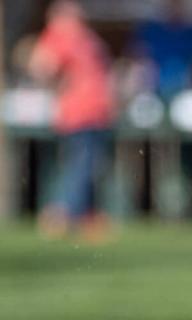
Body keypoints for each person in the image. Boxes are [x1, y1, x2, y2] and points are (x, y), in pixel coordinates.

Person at [28, 0, 115, 241]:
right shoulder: (57, 37)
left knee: (90, 167)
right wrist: (59, 82)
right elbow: (40, 66)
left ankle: (83, 215)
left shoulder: (85, 37)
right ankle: (63, 215)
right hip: (78, 113)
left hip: (97, 112)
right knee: (80, 167)